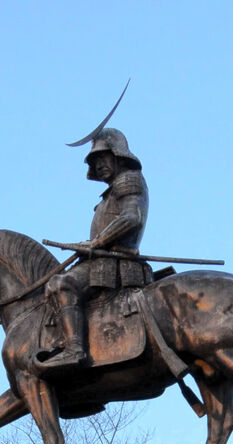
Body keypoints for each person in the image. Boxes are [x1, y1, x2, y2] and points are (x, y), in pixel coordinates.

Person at [39, 128, 152, 372]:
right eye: (94, 161)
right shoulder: (108, 195)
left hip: (116, 263)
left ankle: (74, 350)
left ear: (118, 156)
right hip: (102, 261)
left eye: (102, 158)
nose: (99, 165)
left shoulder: (128, 179)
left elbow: (132, 217)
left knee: (61, 285)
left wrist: (96, 243)